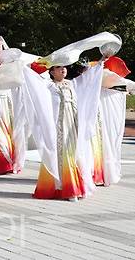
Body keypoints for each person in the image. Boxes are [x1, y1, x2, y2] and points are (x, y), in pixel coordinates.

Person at [33, 61, 104, 201]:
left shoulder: (72, 84)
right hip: (57, 127)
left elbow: (88, 79)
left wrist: (100, 62)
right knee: (60, 154)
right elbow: (34, 85)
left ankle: (75, 186)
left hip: (72, 124)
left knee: (74, 153)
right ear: (52, 72)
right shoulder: (48, 86)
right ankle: (67, 189)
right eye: (58, 67)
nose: (63, 69)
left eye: (64, 67)